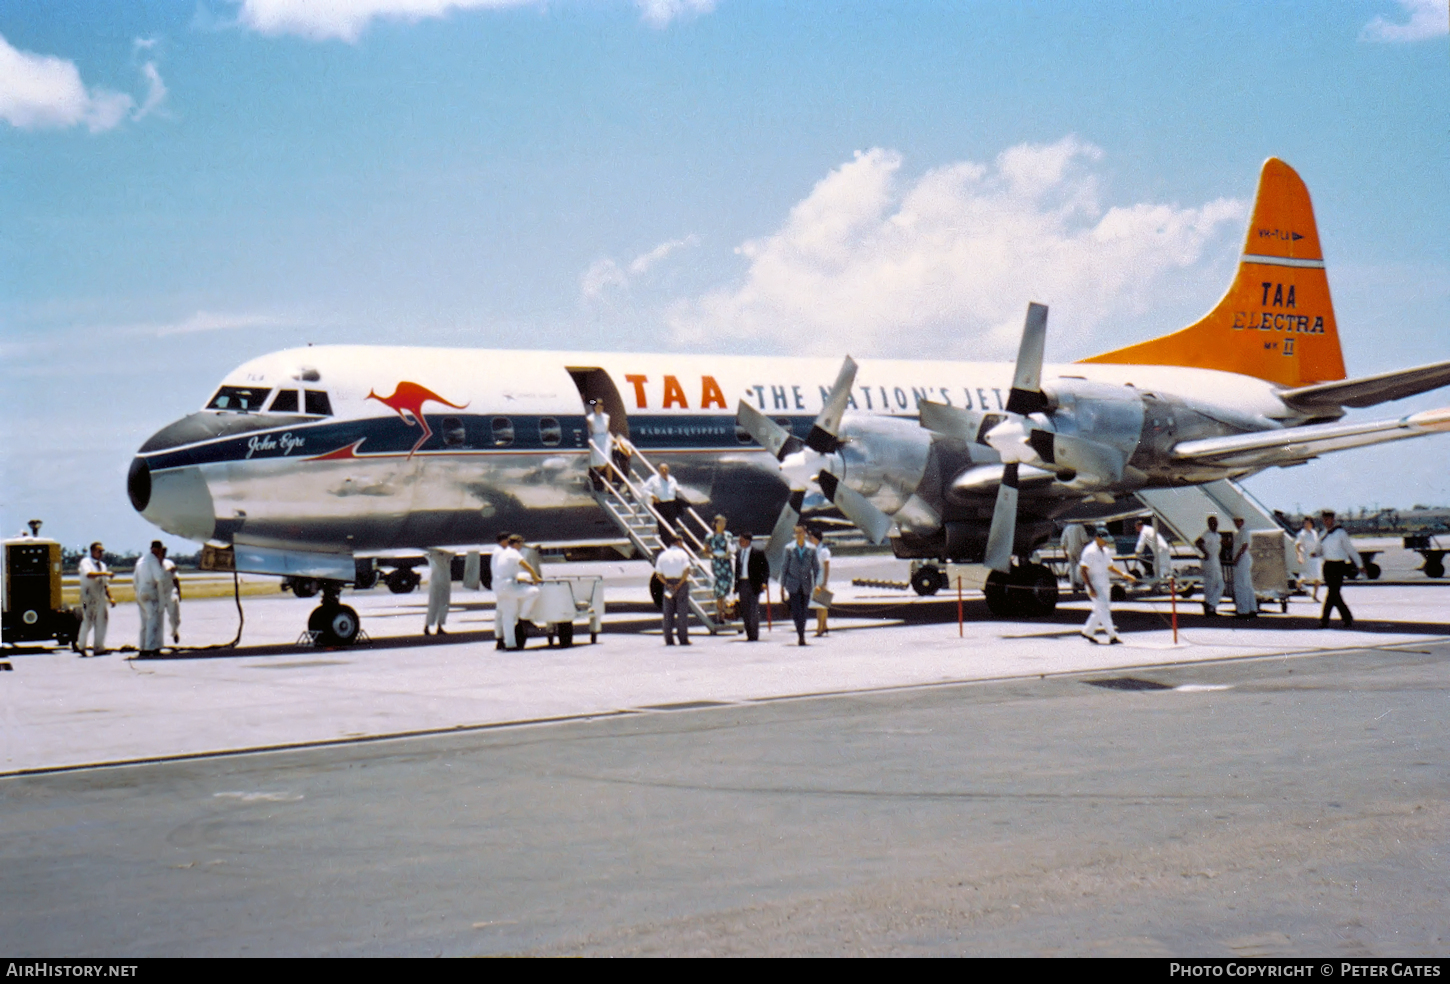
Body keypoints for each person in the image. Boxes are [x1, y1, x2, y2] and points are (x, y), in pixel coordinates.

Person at [1079, 526, 1136, 644]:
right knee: (1104, 609)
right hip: (1094, 584)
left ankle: (1087, 632)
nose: (1106, 542)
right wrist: (1090, 588)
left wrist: (1124, 575)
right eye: (1104, 539)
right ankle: (1112, 636)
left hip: (1104, 583)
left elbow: (1110, 567)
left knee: (1099, 609)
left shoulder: (1106, 551)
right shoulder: (1089, 551)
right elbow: (1083, 570)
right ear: (1097, 538)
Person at [1315, 510, 1361, 629]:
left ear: (1333, 519)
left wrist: (1360, 564)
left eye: (1329, 519)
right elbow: (1318, 550)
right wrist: (1315, 554)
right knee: (1333, 594)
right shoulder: (1322, 534)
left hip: (1339, 566)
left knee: (1332, 593)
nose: (1326, 521)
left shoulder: (1340, 533)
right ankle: (1346, 618)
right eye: (1324, 519)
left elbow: (1350, 549)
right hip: (1328, 566)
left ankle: (1325, 620)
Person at [496, 534, 542, 650]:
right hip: (509, 586)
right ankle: (523, 618)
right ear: (516, 544)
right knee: (534, 592)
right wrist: (535, 577)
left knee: (508, 616)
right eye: (520, 544)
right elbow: (527, 566)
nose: (521, 546)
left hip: (499, 587)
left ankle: (510, 644)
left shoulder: (503, 554)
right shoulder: (514, 553)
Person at [778, 524, 820, 647]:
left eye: (801, 532)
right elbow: (784, 567)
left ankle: (801, 631)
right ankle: (801, 635)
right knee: (796, 611)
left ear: (805, 533)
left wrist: (817, 584)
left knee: (804, 611)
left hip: (806, 584)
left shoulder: (811, 549)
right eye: (796, 533)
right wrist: (782, 586)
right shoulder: (789, 549)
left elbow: (816, 567)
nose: (799, 535)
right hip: (793, 584)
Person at [653, 532, 693, 646]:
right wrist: (680, 584)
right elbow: (686, 571)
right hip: (680, 583)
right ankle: (683, 638)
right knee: (682, 613)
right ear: (679, 542)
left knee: (668, 613)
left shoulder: (663, 555)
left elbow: (658, 574)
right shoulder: (682, 554)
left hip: (668, 584)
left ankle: (669, 639)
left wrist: (667, 584)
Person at [76, 541, 115, 656]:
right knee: (88, 620)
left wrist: (111, 597)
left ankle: (99, 647)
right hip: (88, 595)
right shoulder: (85, 562)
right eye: (99, 551)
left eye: (102, 551)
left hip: (100, 595)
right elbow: (89, 574)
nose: (101, 553)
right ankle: (81, 646)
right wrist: (106, 573)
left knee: (102, 621)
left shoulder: (102, 565)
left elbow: (105, 584)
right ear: (93, 551)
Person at [133, 540, 168, 657]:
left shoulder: (140, 560)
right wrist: (160, 562)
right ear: (158, 549)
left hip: (140, 591)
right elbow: (159, 577)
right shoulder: (153, 560)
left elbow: (135, 580)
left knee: (144, 622)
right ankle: (150, 647)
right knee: (153, 620)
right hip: (150, 591)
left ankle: (142, 647)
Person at [734, 532, 769, 642]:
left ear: (748, 541)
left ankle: (754, 634)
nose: (740, 543)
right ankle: (749, 633)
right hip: (742, 583)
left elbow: (765, 569)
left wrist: (764, 582)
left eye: (742, 541)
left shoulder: (757, 553)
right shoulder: (739, 554)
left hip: (753, 584)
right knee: (745, 610)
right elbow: (737, 570)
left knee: (753, 610)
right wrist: (736, 585)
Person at [1194, 515, 1225, 617]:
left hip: (1216, 561)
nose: (1214, 525)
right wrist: (1205, 552)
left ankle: (1209, 604)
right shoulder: (1207, 534)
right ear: (1208, 524)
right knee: (1210, 586)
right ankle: (1210, 609)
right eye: (1212, 523)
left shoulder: (1217, 535)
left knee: (1220, 585)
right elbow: (1198, 542)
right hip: (1209, 562)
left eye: (1215, 523)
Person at [705, 514, 734, 624]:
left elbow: (730, 547)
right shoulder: (710, 537)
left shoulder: (728, 535)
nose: (722, 525)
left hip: (726, 562)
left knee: (727, 585)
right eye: (720, 522)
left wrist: (728, 553)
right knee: (719, 587)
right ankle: (720, 613)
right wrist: (713, 554)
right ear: (715, 524)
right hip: (717, 563)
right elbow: (706, 550)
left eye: (724, 522)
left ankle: (727, 610)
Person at [642, 463, 683, 535]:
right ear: (659, 470)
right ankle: (664, 544)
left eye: (666, 469)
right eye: (662, 469)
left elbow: (677, 489)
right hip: (660, 504)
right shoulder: (653, 479)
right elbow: (644, 489)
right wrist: (653, 496)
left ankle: (671, 543)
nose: (664, 471)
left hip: (671, 504)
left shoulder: (672, 479)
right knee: (662, 526)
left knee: (672, 525)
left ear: (668, 470)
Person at [1230, 516, 1258, 618]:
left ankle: (1243, 611)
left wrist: (1237, 557)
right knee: (1247, 585)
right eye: (1235, 521)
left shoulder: (1244, 531)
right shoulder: (1239, 532)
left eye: (1238, 521)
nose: (1236, 523)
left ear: (1242, 521)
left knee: (1241, 585)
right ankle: (1252, 608)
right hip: (1243, 559)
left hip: (1242, 559)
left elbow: (1244, 545)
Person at [807, 527, 832, 637]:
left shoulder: (824, 551)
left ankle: (819, 628)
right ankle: (824, 626)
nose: (810, 539)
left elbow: (826, 566)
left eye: (811, 537)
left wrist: (825, 582)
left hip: (821, 579)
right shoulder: (814, 550)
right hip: (815, 579)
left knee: (820, 605)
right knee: (821, 604)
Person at [424, 547, 453, 636]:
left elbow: (452, 554)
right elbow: (426, 554)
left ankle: (439, 626)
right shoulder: (432, 555)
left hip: (445, 582)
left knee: (444, 604)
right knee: (433, 604)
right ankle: (427, 626)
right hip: (436, 582)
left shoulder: (447, 556)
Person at [1134, 518, 1173, 583]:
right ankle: (1164, 579)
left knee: (1160, 566)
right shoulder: (1149, 529)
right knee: (1164, 565)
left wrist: (1137, 552)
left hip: (1160, 549)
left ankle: (1162, 581)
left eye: (1136, 527)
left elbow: (1141, 543)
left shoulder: (1144, 532)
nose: (1136, 529)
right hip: (1163, 547)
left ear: (1139, 526)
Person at [586, 399, 613, 491]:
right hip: (596, 440)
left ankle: (609, 486)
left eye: (601, 406)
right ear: (594, 407)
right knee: (599, 462)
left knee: (608, 462)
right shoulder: (590, 418)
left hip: (605, 439)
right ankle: (596, 477)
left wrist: (612, 438)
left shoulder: (606, 417)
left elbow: (607, 430)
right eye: (597, 406)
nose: (599, 408)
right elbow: (589, 430)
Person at [490, 532, 510, 649]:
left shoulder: (499, 551)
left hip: (500, 585)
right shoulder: (500, 553)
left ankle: (500, 637)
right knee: (502, 612)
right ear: (503, 541)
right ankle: (500, 638)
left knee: (501, 611)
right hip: (501, 585)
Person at [1295, 516, 1322, 601]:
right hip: (1307, 556)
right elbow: (1297, 545)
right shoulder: (1302, 533)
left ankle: (1315, 595)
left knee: (1318, 578)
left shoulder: (1314, 533)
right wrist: (1299, 556)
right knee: (1306, 576)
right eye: (1305, 523)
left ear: (1311, 524)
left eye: (1308, 523)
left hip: (1315, 557)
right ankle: (1298, 584)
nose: (1306, 524)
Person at [161, 548, 183, 646]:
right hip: (158, 593)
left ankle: (175, 632)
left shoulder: (169, 563)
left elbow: (176, 579)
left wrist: (179, 592)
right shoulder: (151, 565)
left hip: (171, 592)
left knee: (175, 616)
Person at [1061, 522, 1089, 593]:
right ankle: (1080, 583)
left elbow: (1063, 541)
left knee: (1072, 568)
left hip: (1070, 550)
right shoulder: (1080, 526)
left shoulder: (1067, 527)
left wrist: (1065, 552)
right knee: (1081, 566)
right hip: (1079, 549)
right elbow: (1084, 539)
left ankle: (1073, 585)